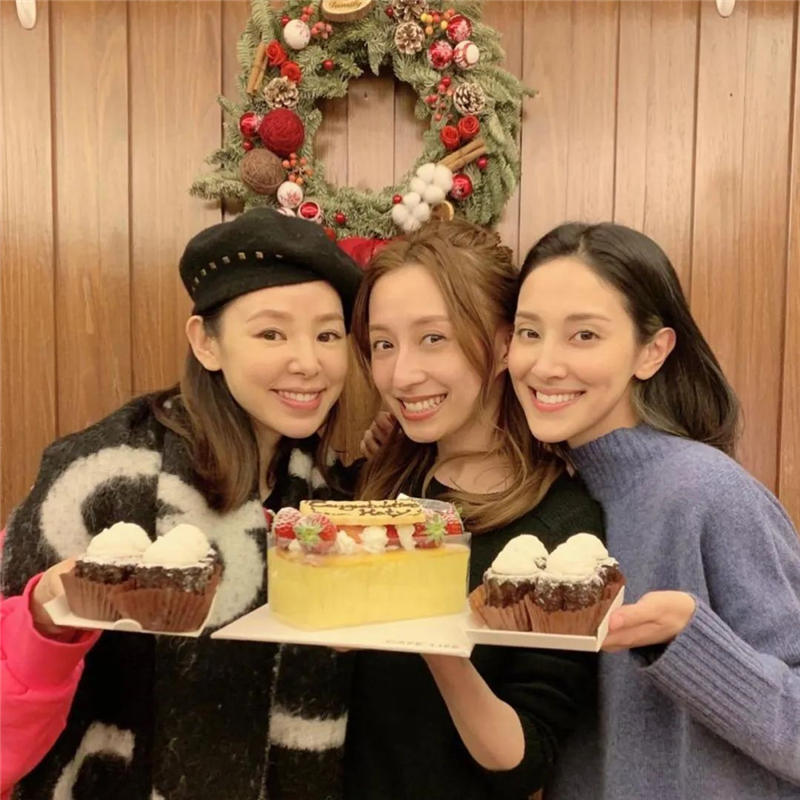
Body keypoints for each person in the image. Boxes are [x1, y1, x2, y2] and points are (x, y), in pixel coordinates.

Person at [1, 207, 363, 800]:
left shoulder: (327, 495)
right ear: (206, 343)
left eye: (327, 335)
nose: (309, 362)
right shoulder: (100, 476)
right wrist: (43, 622)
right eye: (271, 334)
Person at [507, 221, 800, 798]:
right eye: (528, 332)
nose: (544, 364)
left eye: (584, 335)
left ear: (652, 351)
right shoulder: (545, 499)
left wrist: (690, 644)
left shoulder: (708, 492)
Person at [344, 218, 605, 800]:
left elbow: (526, 760)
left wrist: (437, 646)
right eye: (384, 344)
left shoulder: (557, 529)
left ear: (505, 345)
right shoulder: (377, 484)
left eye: (433, 338)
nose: (401, 375)